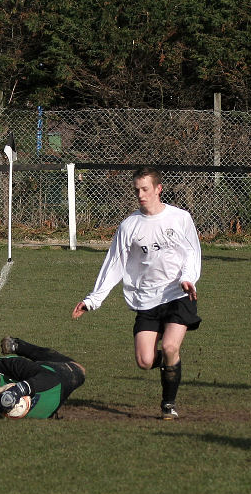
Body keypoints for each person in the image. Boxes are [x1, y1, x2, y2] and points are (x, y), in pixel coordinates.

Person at [72, 166, 201, 420]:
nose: (140, 194)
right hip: (146, 298)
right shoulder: (129, 225)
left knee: (171, 346)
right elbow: (114, 264)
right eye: (137, 190)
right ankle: (170, 364)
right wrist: (92, 300)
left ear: (158, 189)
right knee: (144, 361)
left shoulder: (180, 218)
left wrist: (187, 278)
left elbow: (193, 253)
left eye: (145, 189)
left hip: (177, 294)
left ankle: (168, 404)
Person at [0, 336, 86, 419]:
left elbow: (51, 379)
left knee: (79, 370)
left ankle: (19, 346)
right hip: (50, 410)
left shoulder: (12, 366)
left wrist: (19, 389)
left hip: (59, 381)